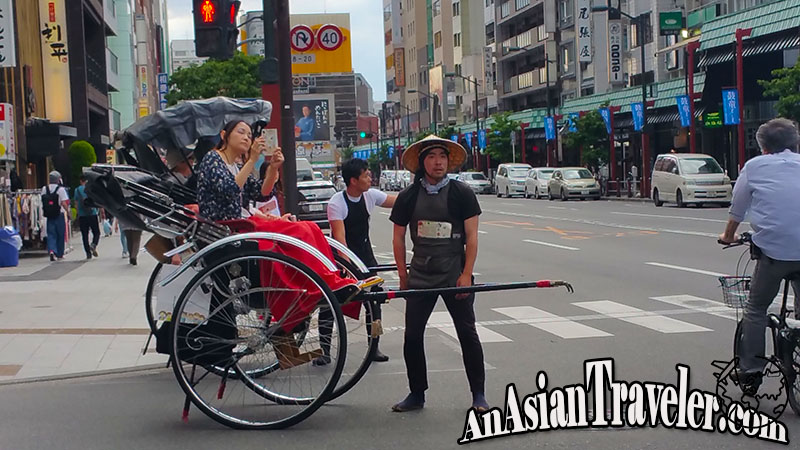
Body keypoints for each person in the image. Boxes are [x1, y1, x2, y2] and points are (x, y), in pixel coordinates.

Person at [196, 119, 362, 298]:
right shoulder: (213, 159)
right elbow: (229, 190)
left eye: (249, 135)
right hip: (226, 227)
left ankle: (329, 278)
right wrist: (252, 160)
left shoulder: (235, 166)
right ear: (224, 135)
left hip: (242, 225)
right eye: (241, 132)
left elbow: (261, 192)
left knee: (310, 228)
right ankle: (319, 283)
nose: (246, 138)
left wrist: (274, 168)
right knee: (298, 231)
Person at [389, 135, 488, 413]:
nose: (438, 162)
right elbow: (398, 238)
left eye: (442, 157)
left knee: (467, 333)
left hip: (453, 270)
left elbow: (472, 236)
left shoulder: (462, 193)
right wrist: (403, 274)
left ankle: (478, 394)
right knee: (412, 336)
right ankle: (416, 392)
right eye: (431, 157)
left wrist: (466, 274)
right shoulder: (408, 196)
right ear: (422, 162)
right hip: (420, 271)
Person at [719, 118, 800, 387]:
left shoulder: (754, 167)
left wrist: (728, 236)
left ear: (763, 147)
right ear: (795, 143)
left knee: (755, 309)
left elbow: (738, 208)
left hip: (774, 253)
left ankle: (751, 370)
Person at [326, 158, 396, 363]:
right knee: (331, 302)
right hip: (341, 257)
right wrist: (347, 269)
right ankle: (324, 351)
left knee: (374, 301)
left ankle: (374, 347)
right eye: (366, 175)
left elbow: (397, 201)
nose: (370, 178)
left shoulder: (370, 196)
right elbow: (340, 238)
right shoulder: (336, 203)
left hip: (365, 255)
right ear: (354, 180)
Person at [41, 170, 70, 261]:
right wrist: (68, 212)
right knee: (60, 234)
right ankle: (59, 254)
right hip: (59, 215)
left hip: (49, 215)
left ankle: (52, 251)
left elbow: (43, 200)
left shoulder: (44, 189)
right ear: (58, 180)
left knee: (51, 234)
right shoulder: (61, 190)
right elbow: (64, 203)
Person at [74, 175, 100, 260]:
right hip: (92, 213)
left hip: (82, 215)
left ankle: (88, 253)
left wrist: (78, 213)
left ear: (81, 181)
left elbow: (76, 203)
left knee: (84, 235)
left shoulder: (77, 190)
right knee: (96, 232)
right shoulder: (91, 188)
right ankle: (93, 244)